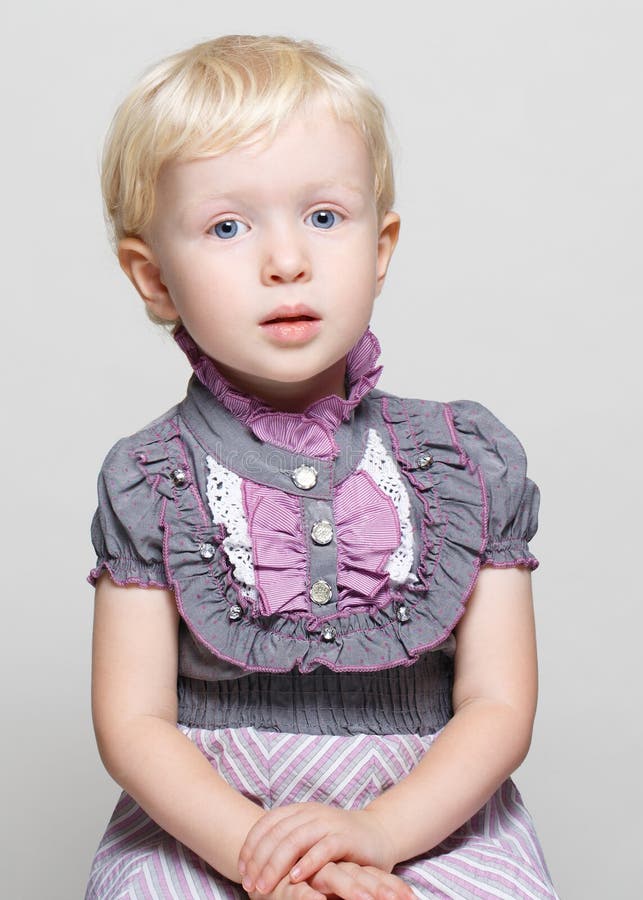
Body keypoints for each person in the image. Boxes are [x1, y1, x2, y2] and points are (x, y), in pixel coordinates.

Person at [85, 34, 559, 900]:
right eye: (228, 226)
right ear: (153, 279)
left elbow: (497, 703)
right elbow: (133, 720)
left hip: (428, 814)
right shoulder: (151, 479)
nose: (287, 260)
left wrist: (380, 833)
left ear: (380, 248)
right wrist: (256, 856)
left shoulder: (464, 461)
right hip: (212, 822)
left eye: (324, 216)